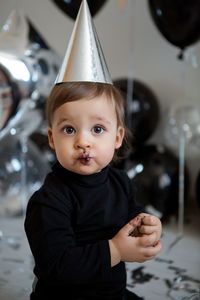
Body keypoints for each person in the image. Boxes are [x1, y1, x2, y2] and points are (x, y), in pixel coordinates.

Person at [24, 81, 162, 300]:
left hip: (112, 292)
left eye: (97, 129)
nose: (83, 141)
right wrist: (116, 250)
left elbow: (132, 218)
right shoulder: (48, 201)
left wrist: (147, 227)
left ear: (117, 138)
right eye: (69, 129)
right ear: (52, 138)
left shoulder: (120, 182)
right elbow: (57, 267)